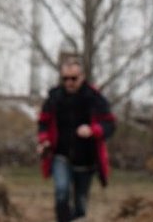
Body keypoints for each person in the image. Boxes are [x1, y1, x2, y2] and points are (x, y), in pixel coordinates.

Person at [36, 58, 115, 222]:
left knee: (80, 203)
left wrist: (93, 130)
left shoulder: (95, 98)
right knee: (61, 190)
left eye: (74, 78)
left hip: (86, 159)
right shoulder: (54, 97)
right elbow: (43, 123)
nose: (69, 82)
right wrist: (44, 141)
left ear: (82, 76)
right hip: (60, 155)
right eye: (65, 78)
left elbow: (110, 124)